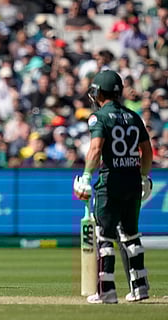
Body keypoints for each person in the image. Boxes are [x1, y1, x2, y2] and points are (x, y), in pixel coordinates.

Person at [73, 70, 153, 304]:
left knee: (104, 236)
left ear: (98, 92)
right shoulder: (133, 116)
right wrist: (144, 177)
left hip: (110, 183)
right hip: (131, 181)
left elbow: (96, 149)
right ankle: (139, 287)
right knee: (131, 235)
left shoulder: (99, 117)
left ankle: (105, 290)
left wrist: (86, 176)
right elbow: (147, 151)